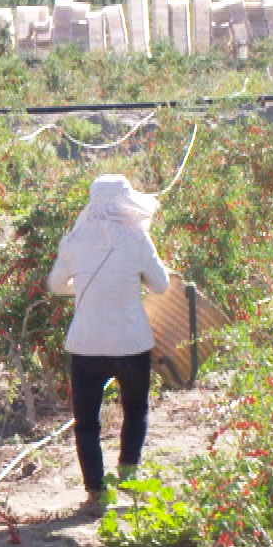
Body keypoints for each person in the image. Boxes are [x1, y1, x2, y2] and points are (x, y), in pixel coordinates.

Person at [46, 174, 170, 509]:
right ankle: (129, 479)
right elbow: (160, 285)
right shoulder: (137, 238)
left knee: (86, 422)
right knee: (136, 409)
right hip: (131, 343)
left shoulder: (74, 240)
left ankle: (96, 494)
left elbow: (56, 285)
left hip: (86, 344)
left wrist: (85, 287)